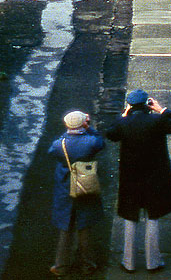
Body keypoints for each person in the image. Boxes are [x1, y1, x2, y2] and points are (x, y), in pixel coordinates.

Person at [105, 89, 171, 274]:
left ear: (130, 105)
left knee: (130, 218)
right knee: (153, 217)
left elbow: (111, 133)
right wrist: (161, 109)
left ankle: (129, 262)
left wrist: (123, 115)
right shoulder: (157, 121)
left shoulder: (124, 123)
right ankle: (153, 261)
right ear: (146, 104)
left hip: (131, 178)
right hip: (154, 177)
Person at [49, 110, 106, 276]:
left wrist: (68, 129)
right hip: (85, 185)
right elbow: (100, 142)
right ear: (84, 124)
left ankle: (60, 266)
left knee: (65, 227)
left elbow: (52, 151)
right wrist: (89, 128)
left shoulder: (59, 144)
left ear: (66, 125)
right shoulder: (90, 142)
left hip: (65, 187)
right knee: (84, 225)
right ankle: (88, 264)